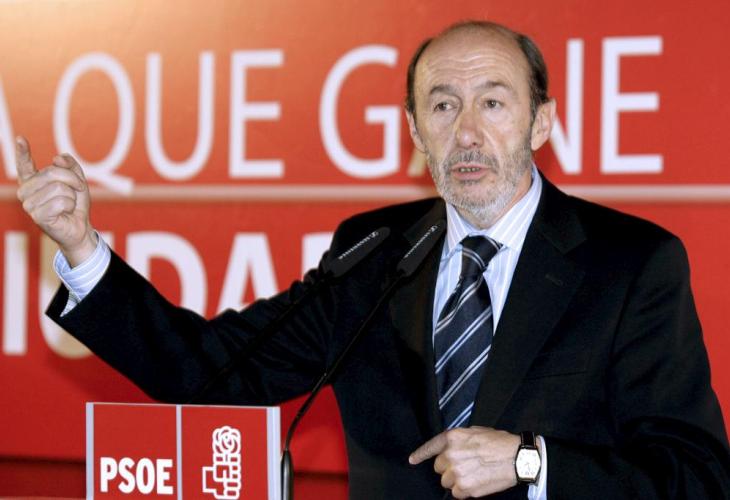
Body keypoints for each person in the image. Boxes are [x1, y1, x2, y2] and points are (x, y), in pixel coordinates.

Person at [16, 20, 730, 499]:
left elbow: (695, 476)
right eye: (443, 107)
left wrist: (530, 461)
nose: (468, 134)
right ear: (415, 130)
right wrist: (81, 247)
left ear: (540, 122)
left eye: (493, 103)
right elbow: (211, 373)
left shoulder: (631, 264)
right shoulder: (372, 252)